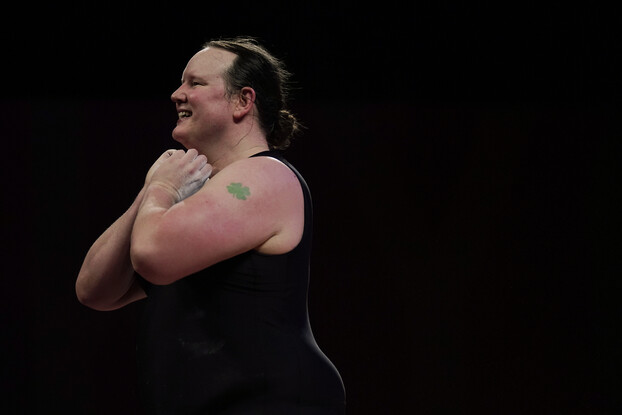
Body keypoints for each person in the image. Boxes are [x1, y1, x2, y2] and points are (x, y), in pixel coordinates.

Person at [76, 37, 346, 414]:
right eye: (181, 83)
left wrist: (163, 188)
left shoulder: (265, 175)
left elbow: (151, 255)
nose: (177, 94)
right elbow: (94, 289)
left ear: (243, 101)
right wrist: (151, 194)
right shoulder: (187, 201)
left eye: (195, 83)